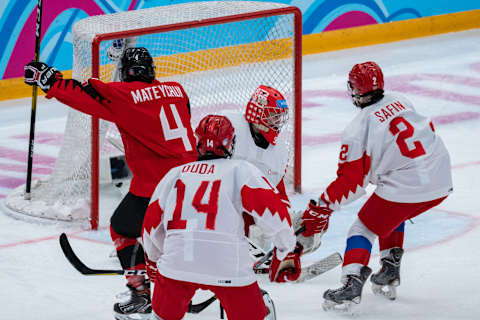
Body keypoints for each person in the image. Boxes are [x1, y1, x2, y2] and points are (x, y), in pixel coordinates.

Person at [24, 47, 197, 319]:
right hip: (195, 181)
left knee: (122, 228)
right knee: (172, 235)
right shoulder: (177, 90)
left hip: (156, 187)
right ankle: (183, 281)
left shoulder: (123, 95)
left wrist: (50, 81)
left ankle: (141, 292)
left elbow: (83, 95)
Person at [299, 61, 453, 311]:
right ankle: (389, 267)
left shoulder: (357, 128)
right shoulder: (400, 99)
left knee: (362, 228)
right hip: (441, 177)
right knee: (393, 210)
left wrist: (322, 206)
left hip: (407, 185)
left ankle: (351, 283)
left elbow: (352, 183)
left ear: (354, 89)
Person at [141, 114, 303, 320]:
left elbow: (150, 226)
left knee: (161, 317)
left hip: (176, 267)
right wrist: (284, 251)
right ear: (232, 142)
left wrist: (155, 261)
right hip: (228, 268)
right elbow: (275, 215)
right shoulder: (242, 170)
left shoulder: (174, 174)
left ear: (197, 142)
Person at [221, 85, 321, 252]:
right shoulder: (229, 127)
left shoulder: (279, 150)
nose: (277, 123)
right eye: (272, 117)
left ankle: (283, 250)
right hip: (220, 199)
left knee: (278, 222)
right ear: (256, 113)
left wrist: (287, 222)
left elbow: (276, 189)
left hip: (250, 203)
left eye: (278, 118)